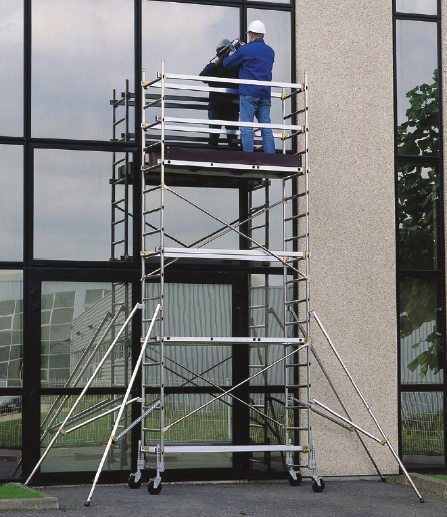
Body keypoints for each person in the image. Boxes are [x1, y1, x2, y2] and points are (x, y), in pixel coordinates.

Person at [222, 21, 275, 154]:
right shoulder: (270, 51)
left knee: (246, 126)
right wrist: (244, 50)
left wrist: (233, 54)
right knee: (266, 127)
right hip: (264, 94)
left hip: (249, 93)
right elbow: (257, 60)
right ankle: (271, 156)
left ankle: (248, 156)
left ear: (250, 35)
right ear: (263, 35)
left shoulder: (245, 50)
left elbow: (227, 64)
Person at [200, 39, 240, 148]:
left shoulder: (235, 67)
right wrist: (216, 65)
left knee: (233, 141)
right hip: (217, 107)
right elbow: (203, 77)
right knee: (213, 139)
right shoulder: (213, 67)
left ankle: (233, 161)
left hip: (231, 107)